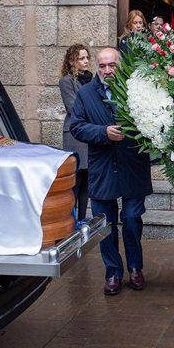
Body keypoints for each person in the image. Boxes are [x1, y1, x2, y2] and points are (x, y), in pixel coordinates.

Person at [70, 47, 152, 295]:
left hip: (133, 165)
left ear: (121, 65)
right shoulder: (85, 94)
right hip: (103, 168)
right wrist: (103, 133)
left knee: (130, 219)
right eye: (103, 66)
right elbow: (77, 127)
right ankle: (113, 273)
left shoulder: (137, 90)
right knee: (106, 224)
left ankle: (135, 268)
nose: (107, 70)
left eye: (112, 65)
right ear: (97, 67)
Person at [58, 43, 94, 222]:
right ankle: (70, 221)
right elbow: (74, 108)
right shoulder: (66, 81)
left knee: (87, 180)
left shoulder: (92, 79)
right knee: (76, 180)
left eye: (87, 57)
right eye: (81, 58)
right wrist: (95, 111)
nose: (86, 61)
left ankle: (81, 219)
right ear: (73, 61)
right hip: (75, 135)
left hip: (90, 134)